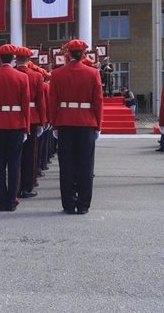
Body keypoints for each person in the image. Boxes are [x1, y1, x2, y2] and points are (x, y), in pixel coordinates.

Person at [49, 40, 103, 213]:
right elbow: (98, 101)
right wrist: (98, 125)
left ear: (68, 55)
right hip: (87, 122)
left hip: (65, 121)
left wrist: (54, 123)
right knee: (86, 165)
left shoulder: (57, 74)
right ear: (83, 54)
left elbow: (53, 102)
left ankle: (69, 204)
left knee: (66, 165)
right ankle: (83, 204)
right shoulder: (93, 73)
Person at [0, 44, 30, 212]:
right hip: (16, 123)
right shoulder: (22, 77)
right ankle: (11, 199)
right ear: (13, 59)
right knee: (14, 163)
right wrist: (26, 127)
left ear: (0, 58)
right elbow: (25, 105)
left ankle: (1, 198)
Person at [15, 47, 46, 198]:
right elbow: (40, 101)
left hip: (14, 117)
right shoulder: (36, 76)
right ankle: (27, 185)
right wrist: (42, 120)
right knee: (30, 154)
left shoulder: (13, 74)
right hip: (32, 118)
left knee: (14, 155)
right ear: (29, 60)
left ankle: (16, 185)